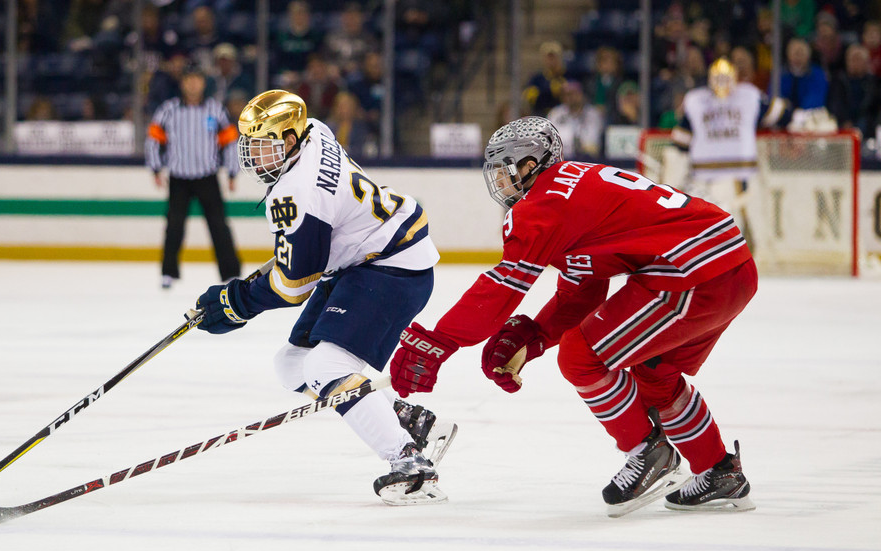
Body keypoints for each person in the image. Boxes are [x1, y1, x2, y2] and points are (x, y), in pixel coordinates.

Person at [389, 116, 758, 517]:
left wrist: (438, 342)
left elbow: (502, 285)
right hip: (729, 265)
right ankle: (719, 471)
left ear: (530, 164)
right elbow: (583, 291)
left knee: (581, 355)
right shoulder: (574, 184)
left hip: (690, 273)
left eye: (505, 169)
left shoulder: (542, 203)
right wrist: (534, 337)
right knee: (655, 373)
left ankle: (647, 452)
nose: (500, 181)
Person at [188, 90, 456, 505]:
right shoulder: (314, 130)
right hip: (364, 258)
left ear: (290, 140)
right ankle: (408, 420)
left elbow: (294, 286)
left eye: (263, 146)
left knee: (326, 366)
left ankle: (410, 464)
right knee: (292, 364)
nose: (254, 156)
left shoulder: (295, 193)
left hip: (391, 265)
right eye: (250, 145)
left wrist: (236, 302)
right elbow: (312, 244)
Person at [671, 57, 790, 244]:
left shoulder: (697, 99)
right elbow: (781, 114)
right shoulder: (748, 95)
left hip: (715, 177)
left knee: (714, 229)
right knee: (735, 227)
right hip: (732, 176)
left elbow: (680, 142)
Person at [145, 70, 241, 288]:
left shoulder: (215, 109)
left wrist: (232, 172)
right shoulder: (168, 110)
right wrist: (156, 168)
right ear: (182, 83)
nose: (193, 85)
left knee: (219, 226)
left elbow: (230, 141)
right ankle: (168, 272)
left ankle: (231, 272)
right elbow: (154, 139)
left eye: (197, 80)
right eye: (189, 80)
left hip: (208, 177)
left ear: (203, 83)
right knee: (174, 226)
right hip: (179, 178)